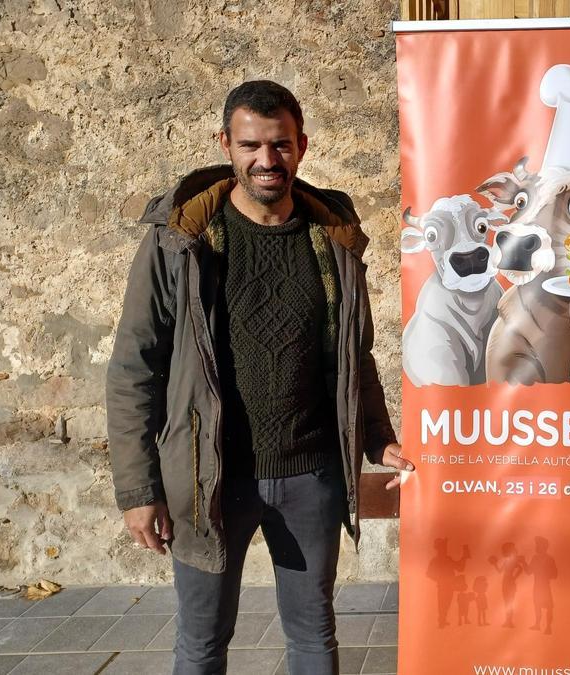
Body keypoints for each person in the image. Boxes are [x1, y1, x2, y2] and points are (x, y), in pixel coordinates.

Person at [106, 80, 413, 675]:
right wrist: (139, 490)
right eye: (250, 145)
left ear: (302, 145)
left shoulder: (334, 240)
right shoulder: (179, 243)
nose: (266, 161)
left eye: (280, 145)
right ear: (226, 143)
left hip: (311, 476)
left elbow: (357, 354)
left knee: (313, 637)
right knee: (201, 642)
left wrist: (378, 438)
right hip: (208, 477)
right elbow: (133, 367)